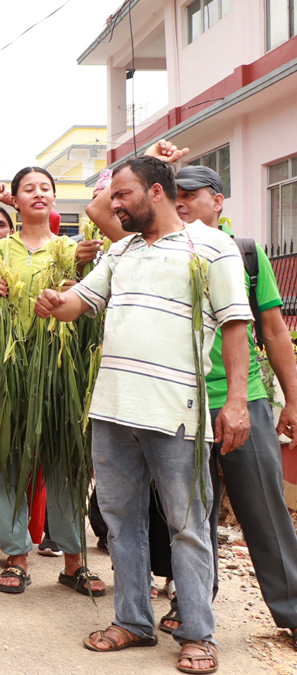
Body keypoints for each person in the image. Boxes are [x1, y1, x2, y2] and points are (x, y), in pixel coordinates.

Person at [36, 155, 252, 674]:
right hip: (112, 410)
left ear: (156, 192)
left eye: (122, 195)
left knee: (187, 525)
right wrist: (54, 302)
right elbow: (79, 303)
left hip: (177, 413)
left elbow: (235, 326)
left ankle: (198, 634)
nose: (114, 205)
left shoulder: (213, 246)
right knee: (119, 524)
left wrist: (238, 403)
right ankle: (133, 621)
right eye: (113, 197)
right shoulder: (121, 251)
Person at [122, 161, 297, 649]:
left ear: (218, 202)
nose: (180, 201)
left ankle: (294, 611)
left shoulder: (244, 254)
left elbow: (275, 331)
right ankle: (191, 606)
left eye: (192, 193)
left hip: (241, 405)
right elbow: (104, 211)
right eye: (173, 192)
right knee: (191, 516)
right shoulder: (154, 250)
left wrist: (293, 402)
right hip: (178, 408)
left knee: (263, 512)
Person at [0, 167, 104, 596]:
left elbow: (93, 303)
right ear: (14, 199)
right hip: (9, 368)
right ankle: (16, 556)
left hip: (59, 367)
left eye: (45, 188)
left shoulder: (72, 249)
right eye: (28, 188)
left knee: (65, 460)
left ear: (54, 198)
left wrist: (80, 280)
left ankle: (74, 561)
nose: (38, 193)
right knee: (8, 456)